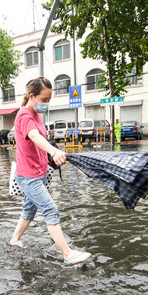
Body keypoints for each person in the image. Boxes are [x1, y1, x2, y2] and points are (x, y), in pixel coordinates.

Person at [9, 77, 91, 265]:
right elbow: (34, 136)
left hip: (39, 172)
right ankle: (68, 254)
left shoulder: (37, 114)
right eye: (44, 100)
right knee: (50, 209)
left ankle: (14, 241)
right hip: (28, 176)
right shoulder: (24, 116)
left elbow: (40, 141)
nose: (46, 104)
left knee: (29, 210)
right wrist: (53, 151)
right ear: (32, 96)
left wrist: (50, 157)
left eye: (49, 100)